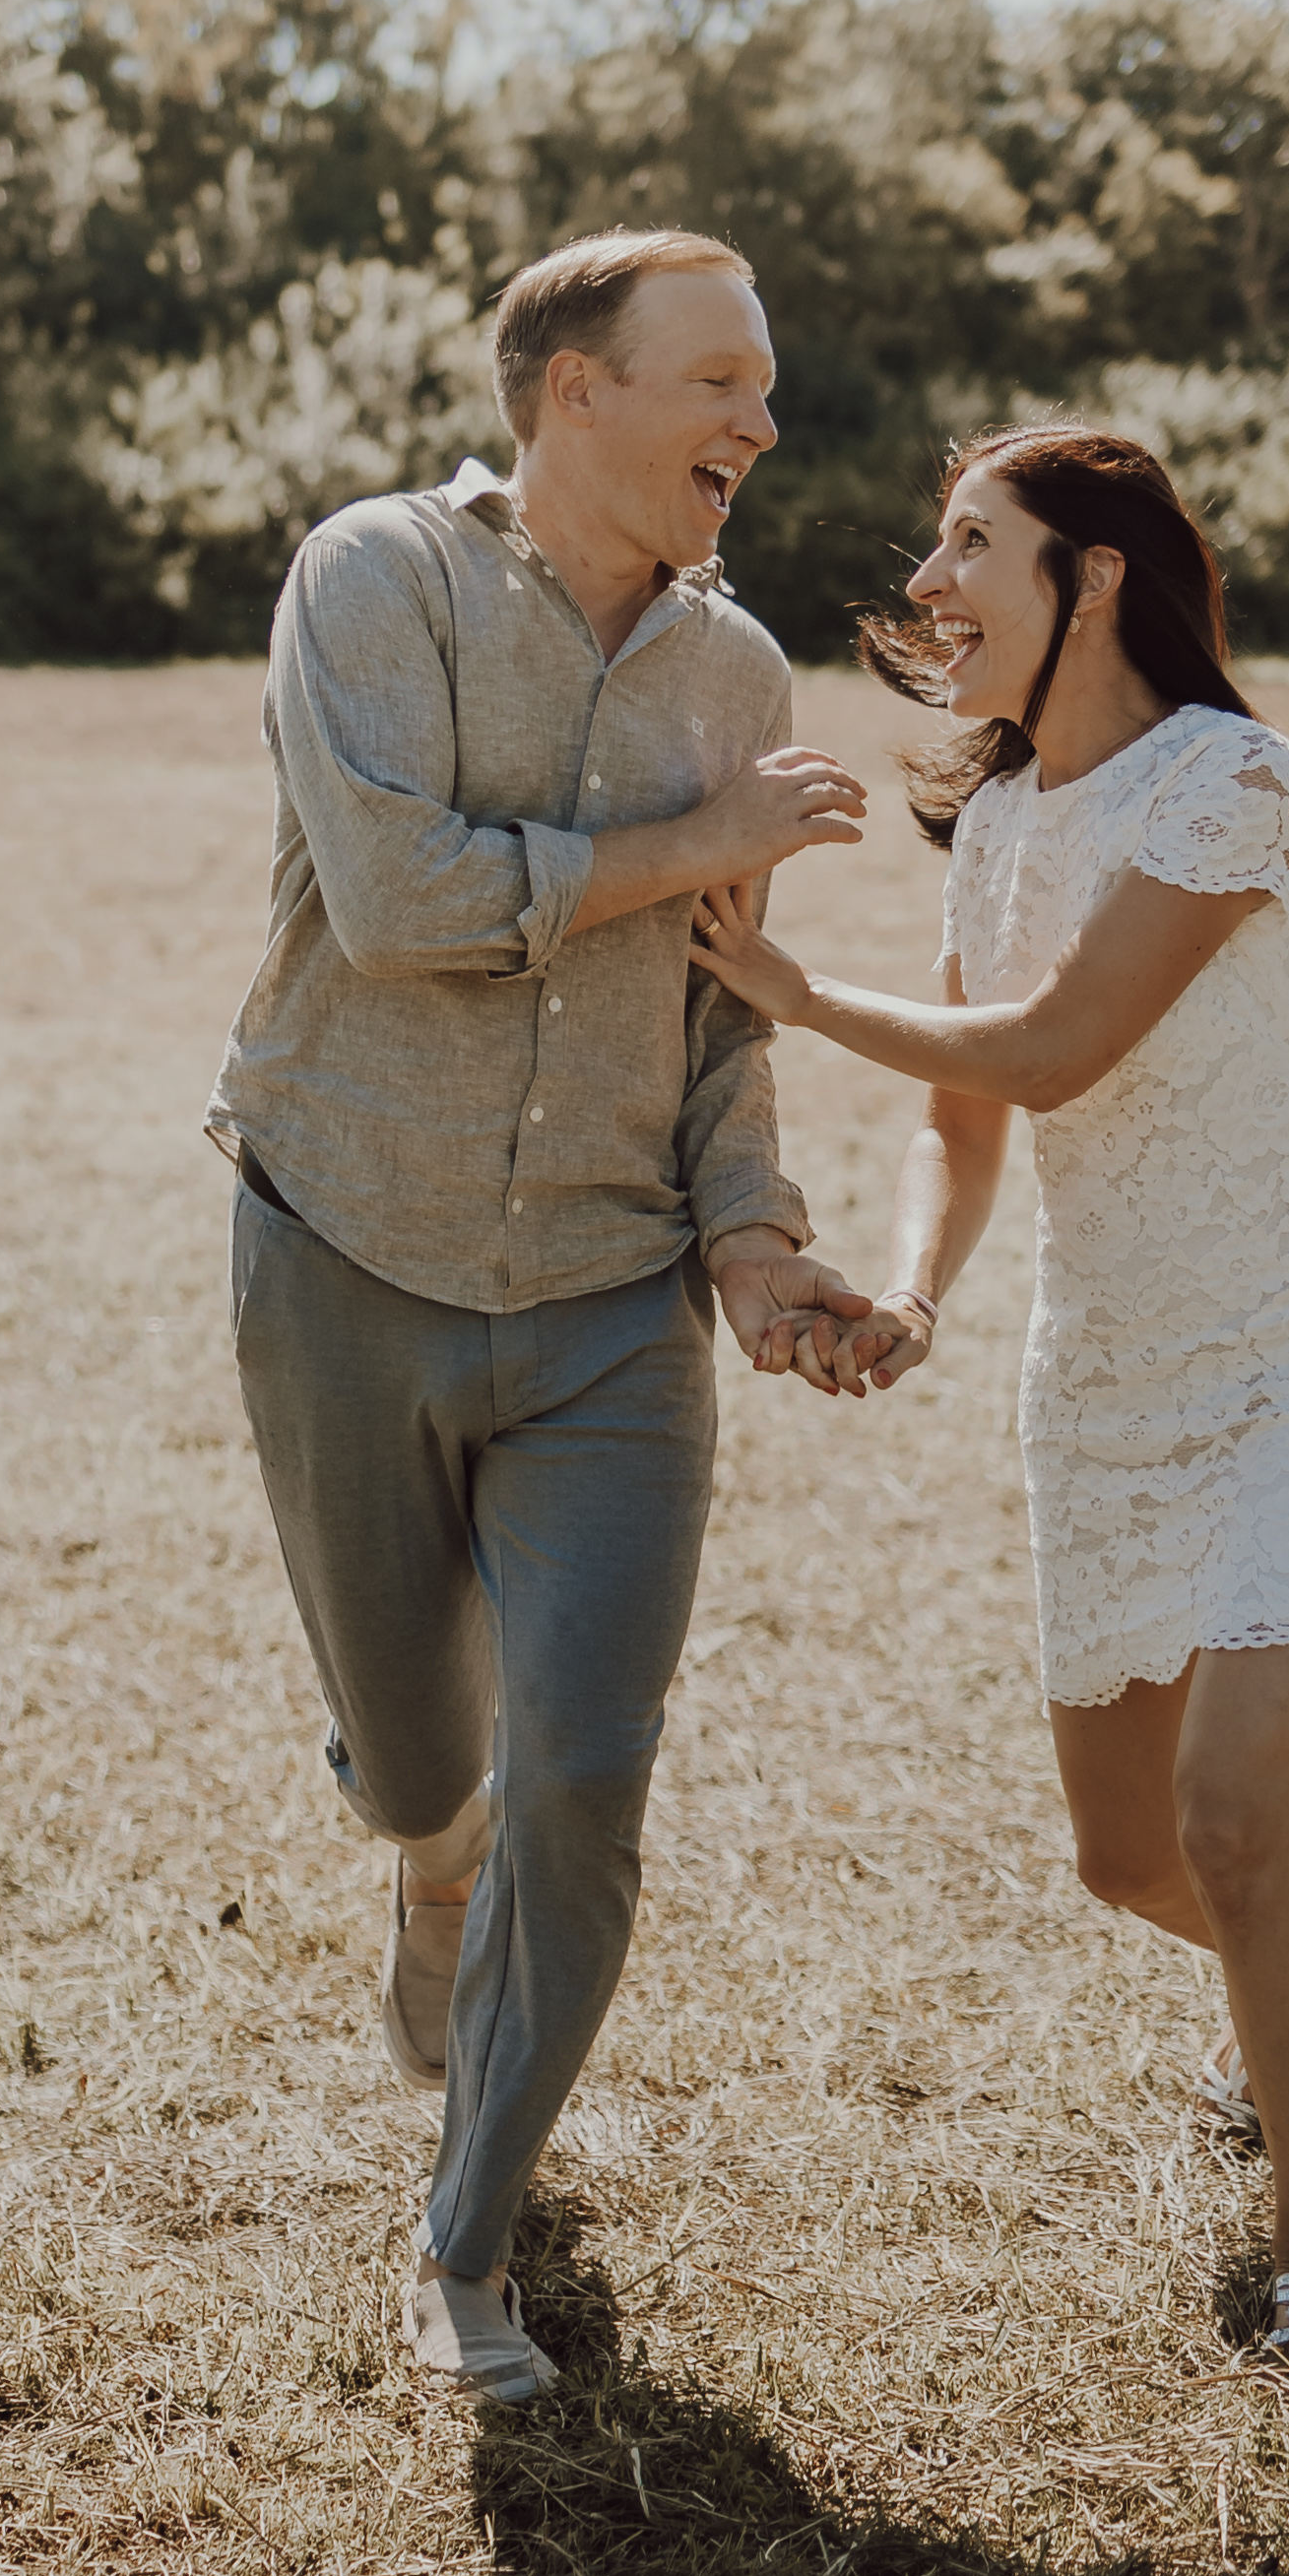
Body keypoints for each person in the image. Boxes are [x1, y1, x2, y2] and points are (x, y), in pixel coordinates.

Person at [209, 228, 896, 2408]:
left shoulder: (742, 674)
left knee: (585, 1776)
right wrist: (692, 827)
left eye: (764, 391)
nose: (758, 429)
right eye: (716, 383)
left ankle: (466, 2239)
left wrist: (755, 1240)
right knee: (431, 1765)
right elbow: (404, 898)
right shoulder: (375, 579)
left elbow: (715, 1008)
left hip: (611, 1307)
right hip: (343, 1248)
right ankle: (426, 1854)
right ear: (567, 391)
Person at [691, 423, 1289, 2367]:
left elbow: (1047, 1044)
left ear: (1089, 573)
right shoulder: (1007, 819)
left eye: (971, 541)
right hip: (1101, 1375)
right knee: (1125, 1859)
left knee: (1230, 1821)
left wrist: (789, 989)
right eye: (934, 541)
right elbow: (964, 1122)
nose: (929, 577)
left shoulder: (1228, 781)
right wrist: (915, 1291)